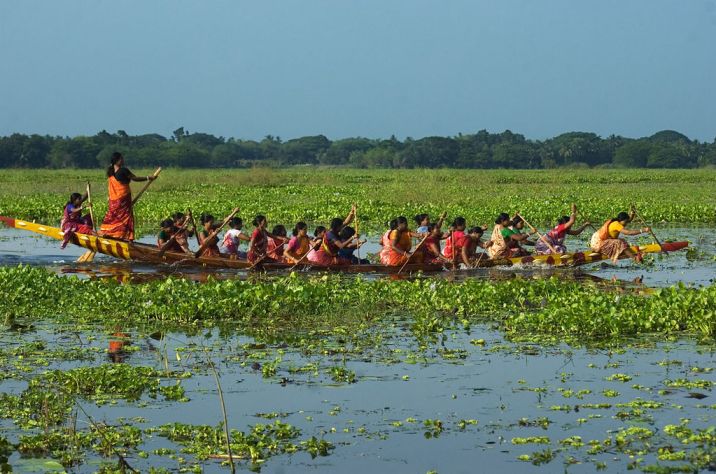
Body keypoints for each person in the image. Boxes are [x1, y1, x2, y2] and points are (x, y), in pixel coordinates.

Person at [99, 152, 156, 241]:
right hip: (122, 199)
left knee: (113, 216)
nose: (123, 160)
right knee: (126, 216)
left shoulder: (110, 172)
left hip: (113, 201)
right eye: (121, 159)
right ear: (117, 160)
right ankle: (127, 238)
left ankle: (108, 232)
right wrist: (148, 178)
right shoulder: (123, 170)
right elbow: (134, 178)